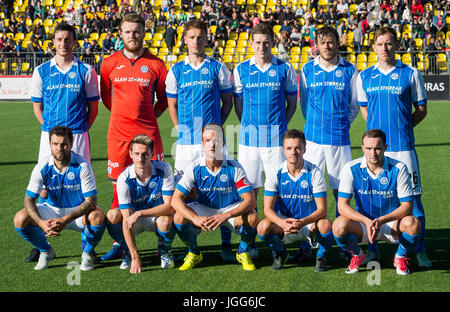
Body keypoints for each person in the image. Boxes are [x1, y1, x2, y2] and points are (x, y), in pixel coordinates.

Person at [356, 27, 431, 268]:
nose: (385, 48)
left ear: (395, 45)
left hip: (404, 149)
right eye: (380, 44)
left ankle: (418, 250)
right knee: (370, 201)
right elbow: (364, 109)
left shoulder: (410, 74)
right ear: (374, 47)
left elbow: (421, 110)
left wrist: (404, 128)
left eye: (389, 43)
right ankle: (373, 249)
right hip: (375, 152)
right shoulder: (364, 76)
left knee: (415, 201)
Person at [165, 20, 239, 262]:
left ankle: (226, 245)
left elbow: (227, 102)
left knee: (225, 191)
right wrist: (180, 129)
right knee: (185, 193)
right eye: (192, 37)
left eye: (200, 37)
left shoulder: (217, 68)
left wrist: (216, 128)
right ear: (185, 40)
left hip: (213, 141)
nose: (196, 41)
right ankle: (192, 249)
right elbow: (172, 106)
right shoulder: (176, 70)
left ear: (207, 40)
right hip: (186, 143)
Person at [100, 13, 168, 262]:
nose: (132, 35)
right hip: (118, 136)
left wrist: (148, 116)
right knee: (119, 193)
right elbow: (107, 98)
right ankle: (121, 242)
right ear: (121, 33)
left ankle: (163, 243)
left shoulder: (157, 64)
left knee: (158, 188)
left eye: (137, 31)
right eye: (128, 31)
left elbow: (163, 99)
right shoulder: (109, 63)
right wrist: (123, 116)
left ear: (143, 33)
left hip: (149, 135)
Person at [299, 25, 359, 262]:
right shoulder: (307, 69)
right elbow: (304, 104)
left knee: (341, 193)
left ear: (337, 43)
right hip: (313, 141)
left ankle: (344, 241)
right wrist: (316, 123)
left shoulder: (350, 70)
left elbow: (354, 105)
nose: (326, 45)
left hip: (339, 140)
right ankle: (308, 241)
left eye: (331, 41)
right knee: (309, 192)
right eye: (322, 41)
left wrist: (341, 122)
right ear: (316, 44)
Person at [13, 126, 105, 271]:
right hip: (52, 211)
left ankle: (86, 254)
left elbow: (91, 201)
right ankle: (45, 251)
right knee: (20, 218)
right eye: (55, 144)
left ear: (71, 144)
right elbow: (28, 200)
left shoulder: (82, 165)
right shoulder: (42, 167)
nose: (59, 148)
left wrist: (65, 220)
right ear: (50, 144)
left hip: (76, 213)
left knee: (98, 216)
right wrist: (41, 222)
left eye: (63, 144)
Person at [232, 22, 297, 223]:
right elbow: (239, 106)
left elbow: (292, 105)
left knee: (278, 191)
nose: (262, 47)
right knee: (248, 194)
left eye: (266, 43)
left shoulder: (285, 68)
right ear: (251, 44)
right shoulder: (241, 69)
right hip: (249, 142)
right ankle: (247, 244)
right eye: (258, 43)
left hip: (276, 143)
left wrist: (277, 126)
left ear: (273, 43)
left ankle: (279, 238)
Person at [332, 129, 421, 275]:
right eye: (368, 149)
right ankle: (357, 254)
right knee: (338, 225)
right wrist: (366, 221)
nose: (373, 153)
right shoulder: (350, 168)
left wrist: (381, 220)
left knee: (413, 224)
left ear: (385, 148)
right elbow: (342, 206)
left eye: (377, 148)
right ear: (362, 148)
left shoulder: (399, 168)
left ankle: (399, 257)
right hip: (363, 225)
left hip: (390, 223)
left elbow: (407, 206)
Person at [171, 123, 259, 271]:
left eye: (216, 141)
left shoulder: (234, 166)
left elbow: (250, 201)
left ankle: (242, 252)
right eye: (207, 140)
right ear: (202, 144)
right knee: (178, 217)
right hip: (204, 208)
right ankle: (194, 252)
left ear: (223, 143)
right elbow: (175, 199)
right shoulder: (194, 167)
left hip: (230, 209)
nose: (212, 145)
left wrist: (226, 215)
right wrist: (194, 218)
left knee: (252, 216)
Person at [257, 129, 333, 271]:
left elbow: (322, 210)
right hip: (285, 223)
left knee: (326, 224)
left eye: (298, 148)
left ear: (304, 149)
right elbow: (267, 209)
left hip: (308, 223)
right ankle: (280, 252)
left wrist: (302, 222)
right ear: (283, 150)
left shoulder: (314, 172)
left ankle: (321, 257)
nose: (294, 152)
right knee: (262, 227)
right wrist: (282, 223)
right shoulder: (275, 172)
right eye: (289, 148)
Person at [105, 134, 176, 273]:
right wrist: (135, 257)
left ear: (152, 154)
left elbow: (168, 208)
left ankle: (164, 250)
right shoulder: (123, 178)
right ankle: (128, 252)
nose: (140, 158)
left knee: (166, 221)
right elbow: (126, 219)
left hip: (156, 216)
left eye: (145, 154)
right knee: (112, 215)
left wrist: (140, 213)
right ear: (130, 154)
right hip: (133, 219)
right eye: (136, 153)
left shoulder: (164, 169)